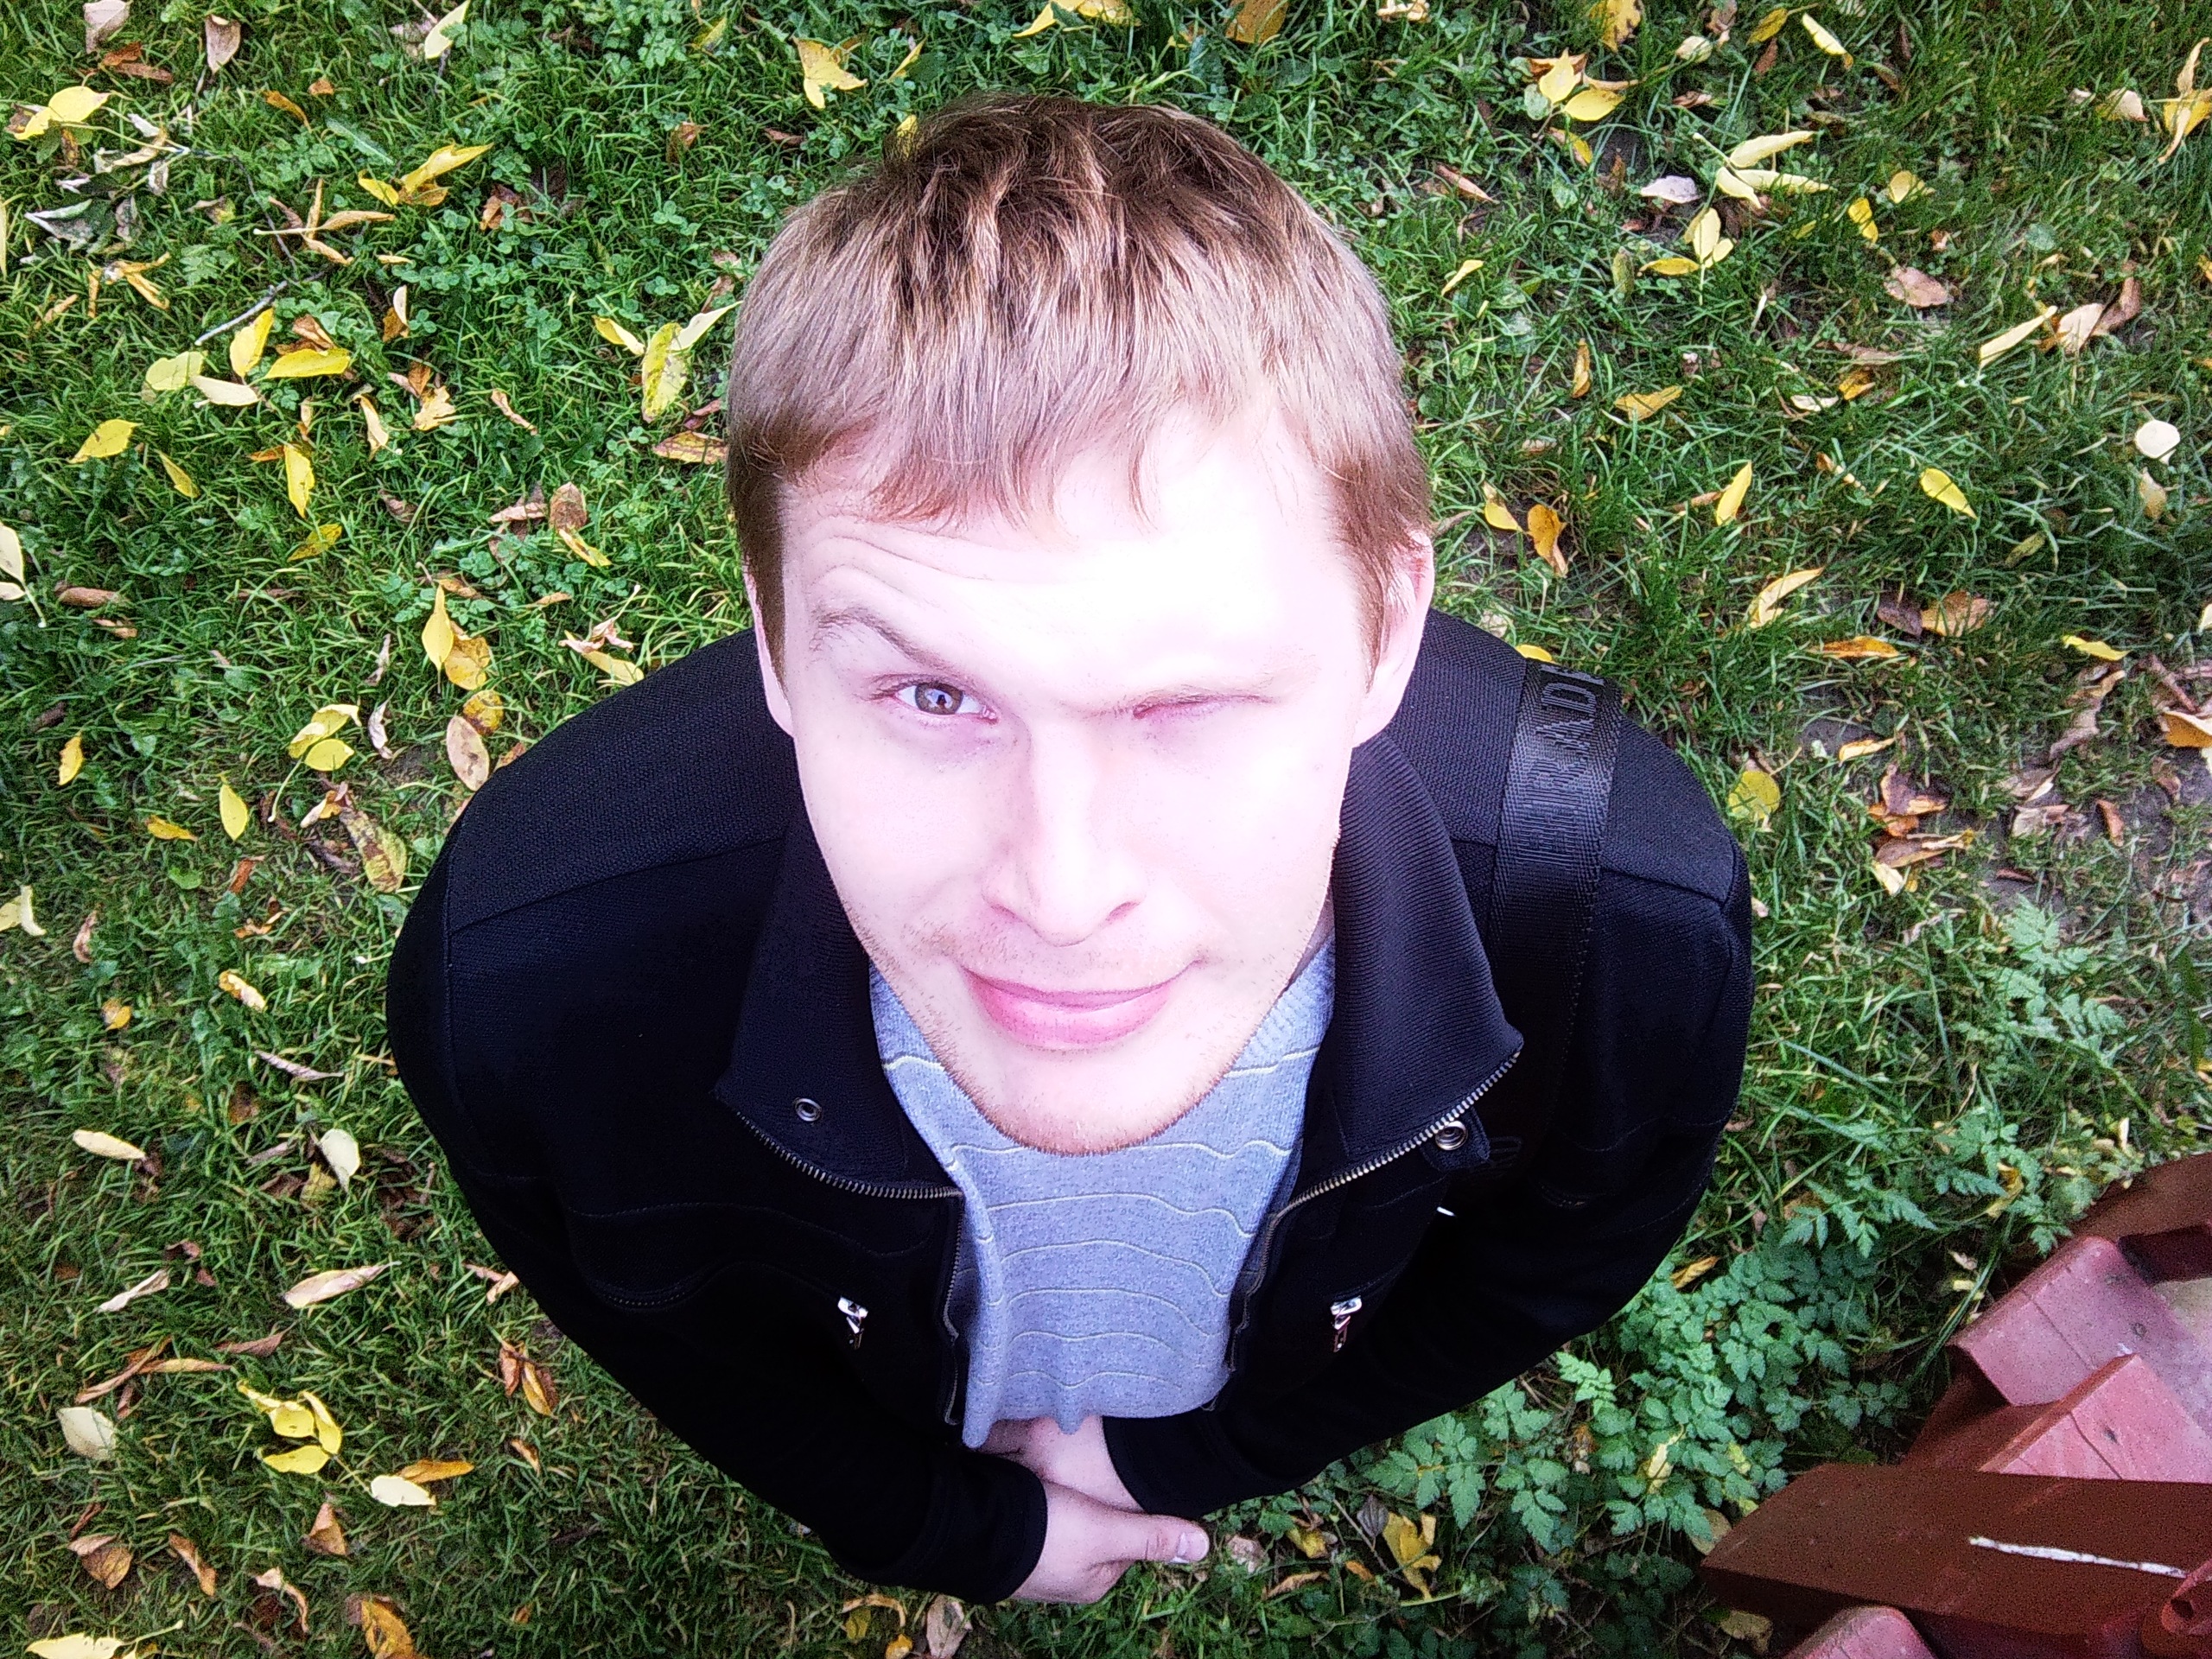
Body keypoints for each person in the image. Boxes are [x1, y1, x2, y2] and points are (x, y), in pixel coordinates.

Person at [385, 92, 1751, 1607]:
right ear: (772, 641)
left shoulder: (1617, 920)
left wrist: (1206, 1453)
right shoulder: (528, 980)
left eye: (1191, 704)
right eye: (932, 695)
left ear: (1390, 633)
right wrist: (939, 1525)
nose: (1061, 890)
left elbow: (1566, 1251)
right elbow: (644, 1311)